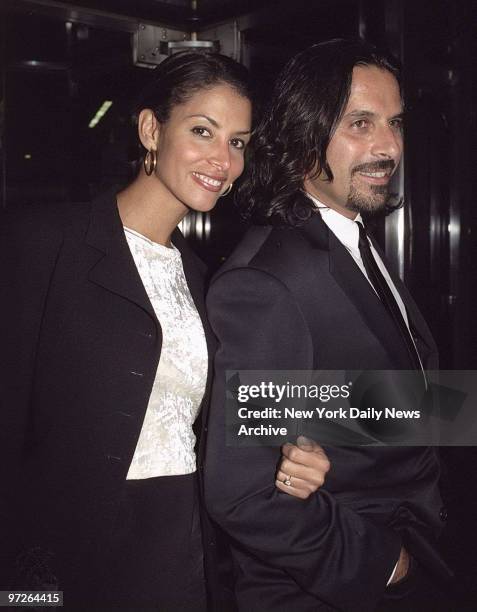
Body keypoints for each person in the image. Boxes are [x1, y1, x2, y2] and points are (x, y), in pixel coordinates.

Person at [0, 51, 329, 612]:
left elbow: (210, 418)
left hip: (182, 546)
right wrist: (24, 595)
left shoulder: (205, 278)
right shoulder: (42, 242)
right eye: (203, 131)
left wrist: (293, 452)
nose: (223, 159)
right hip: (65, 557)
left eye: (238, 142)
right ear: (152, 129)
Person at [205, 39, 453, 612]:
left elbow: (371, 406)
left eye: (394, 123)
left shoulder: (352, 240)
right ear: (300, 136)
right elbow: (243, 492)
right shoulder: (268, 281)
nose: (388, 145)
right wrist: (384, 566)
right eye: (359, 123)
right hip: (331, 589)